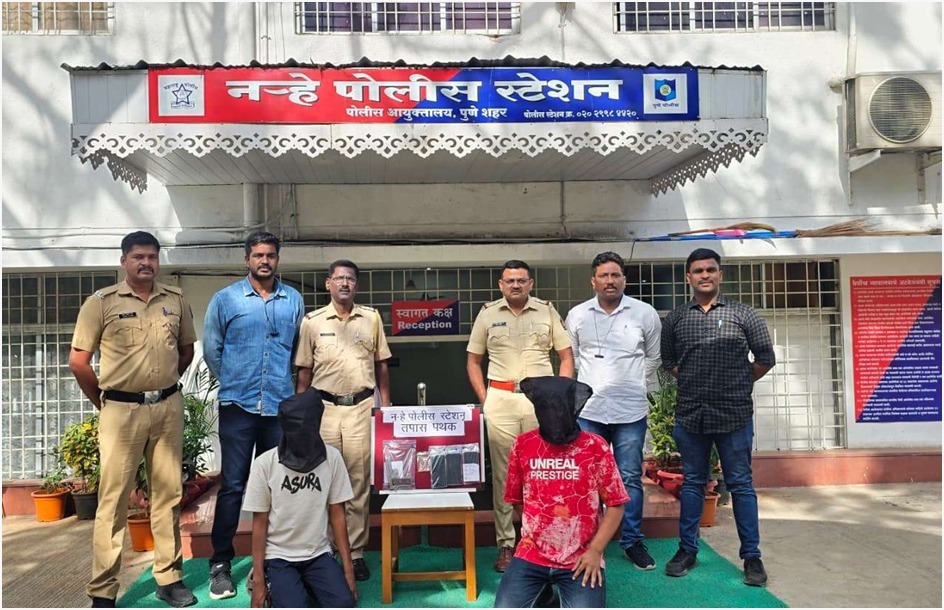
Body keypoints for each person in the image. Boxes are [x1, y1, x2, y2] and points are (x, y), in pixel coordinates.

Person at [69, 231, 197, 608]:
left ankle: (169, 577)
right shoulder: (102, 303)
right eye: (139, 256)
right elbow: (79, 362)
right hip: (120, 412)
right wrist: (105, 403)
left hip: (167, 408)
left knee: (168, 495)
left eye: (153, 257)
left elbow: (186, 352)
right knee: (112, 501)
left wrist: (161, 386)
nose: (147, 263)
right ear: (124, 261)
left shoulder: (175, 300)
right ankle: (103, 590)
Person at [660, 248, 776, 587]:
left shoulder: (744, 315)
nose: (705, 275)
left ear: (720, 275)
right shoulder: (677, 318)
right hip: (691, 415)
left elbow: (765, 358)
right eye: (698, 270)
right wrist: (698, 382)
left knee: (741, 485)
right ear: (688, 277)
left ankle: (752, 558)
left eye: (711, 269)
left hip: (734, 414)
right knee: (694, 483)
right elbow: (670, 362)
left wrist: (736, 381)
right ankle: (687, 551)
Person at [202, 231, 305, 600]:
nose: (265, 261)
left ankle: (276, 564)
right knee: (232, 486)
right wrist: (233, 380)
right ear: (247, 259)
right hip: (238, 407)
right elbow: (212, 351)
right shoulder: (226, 299)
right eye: (258, 255)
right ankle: (220, 565)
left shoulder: (293, 299)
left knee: (278, 486)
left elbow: (297, 351)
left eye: (271, 255)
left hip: (278, 408)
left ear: (278, 259)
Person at [466, 260, 575, 572]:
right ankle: (506, 544)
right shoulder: (487, 314)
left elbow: (566, 357)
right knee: (504, 475)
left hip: (541, 401)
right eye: (509, 281)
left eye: (521, 280)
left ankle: (541, 538)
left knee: (543, 470)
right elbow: (473, 361)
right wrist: (486, 399)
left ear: (531, 284)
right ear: (501, 285)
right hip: (500, 399)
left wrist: (561, 397)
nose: (515, 285)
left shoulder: (547, 311)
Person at [494, 376, 628, 608]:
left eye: (559, 409)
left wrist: (595, 550)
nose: (554, 416)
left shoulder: (596, 447)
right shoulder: (523, 445)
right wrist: (540, 529)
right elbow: (516, 500)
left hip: (581, 557)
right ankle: (543, 589)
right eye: (547, 409)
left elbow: (616, 504)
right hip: (531, 554)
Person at [295, 259, 391, 582]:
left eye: (350, 279)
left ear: (357, 285)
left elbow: (381, 367)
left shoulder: (372, 319)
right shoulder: (312, 322)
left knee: (358, 482)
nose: (345, 284)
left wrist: (385, 408)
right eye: (339, 279)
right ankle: (326, 550)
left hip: (362, 409)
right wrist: (299, 415)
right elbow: (304, 372)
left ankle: (357, 551)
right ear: (328, 284)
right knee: (321, 480)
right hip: (322, 411)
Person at [564, 251, 661, 570]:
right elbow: (574, 360)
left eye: (615, 275)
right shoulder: (577, 315)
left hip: (631, 412)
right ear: (593, 281)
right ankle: (590, 541)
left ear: (624, 279)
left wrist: (634, 386)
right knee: (588, 478)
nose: (610, 280)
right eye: (603, 275)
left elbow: (653, 358)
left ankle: (632, 541)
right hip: (590, 411)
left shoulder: (644, 314)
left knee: (630, 477)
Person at [243, 388, 357, 608]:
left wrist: (348, 570)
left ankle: (306, 585)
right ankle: (276, 581)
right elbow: (260, 522)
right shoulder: (264, 464)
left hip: (318, 552)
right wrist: (258, 579)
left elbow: (338, 515)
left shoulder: (332, 459)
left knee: (343, 603)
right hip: (278, 556)